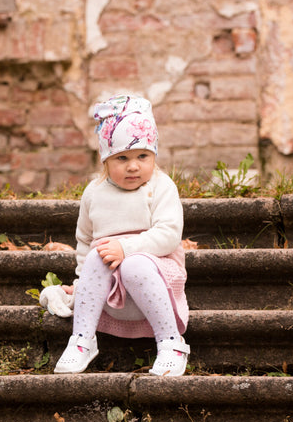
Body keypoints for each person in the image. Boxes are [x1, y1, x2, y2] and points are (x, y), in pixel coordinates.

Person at [49, 94, 189, 375]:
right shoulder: (94, 193)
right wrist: (82, 283)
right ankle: (82, 340)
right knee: (96, 257)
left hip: (154, 277)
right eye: (122, 158)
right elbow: (85, 241)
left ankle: (171, 342)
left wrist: (126, 248)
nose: (133, 166)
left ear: (154, 155)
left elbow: (169, 234)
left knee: (135, 263)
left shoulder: (161, 186)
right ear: (106, 160)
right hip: (110, 288)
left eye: (142, 156)